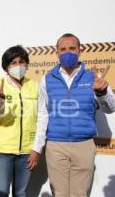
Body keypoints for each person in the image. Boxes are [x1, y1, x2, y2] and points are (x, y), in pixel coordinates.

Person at [31, 33, 115, 197]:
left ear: (79, 50)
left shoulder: (93, 77)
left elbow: (110, 108)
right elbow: (43, 114)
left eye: (72, 48)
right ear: (56, 53)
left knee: (80, 194)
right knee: (60, 193)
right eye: (63, 49)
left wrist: (102, 92)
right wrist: (38, 146)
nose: (67, 52)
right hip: (56, 145)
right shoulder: (47, 79)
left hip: (84, 144)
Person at [0, 45, 39, 197]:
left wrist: (37, 149)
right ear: (6, 67)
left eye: (21, 61)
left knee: (21, 193)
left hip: (27, 152)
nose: (18, 66)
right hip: (2, 151)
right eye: (12, 63)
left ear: (27, 64)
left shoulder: (35, 86)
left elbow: (41, 118)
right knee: (0, 193)